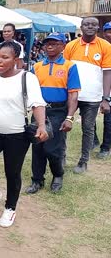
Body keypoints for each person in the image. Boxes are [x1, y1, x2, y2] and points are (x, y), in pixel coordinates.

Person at [0, 41, 48, 228]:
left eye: (5, 57)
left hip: (17, 135)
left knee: (12, 172)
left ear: (16, 59)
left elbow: (37, 103)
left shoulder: (27, 78)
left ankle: (10, 208)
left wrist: (41, 125)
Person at [25, 33, 81, 194]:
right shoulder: (36, 66)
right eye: (47, 43)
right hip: (39, 108)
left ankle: (58, 175)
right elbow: (29, 90)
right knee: (37, 146)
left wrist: (69, 117)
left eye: (54, 43)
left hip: (58, 111)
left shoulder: (70, 66)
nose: (49, 46)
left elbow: (73, 94)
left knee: (52, 148)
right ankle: (37, 180)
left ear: (63, 46)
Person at [64, 17, 111, 173]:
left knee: (88, 129)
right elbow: (65, 70)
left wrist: (105, 98)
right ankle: (61, 156)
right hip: (71, 95)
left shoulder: (105, 46)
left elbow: (107, 73)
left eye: (93, 24)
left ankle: (83, 161)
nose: (90, 26)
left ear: (98, 28)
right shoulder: (71, 46)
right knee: (63, 125)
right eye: (86, 24)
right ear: (81, 27)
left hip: (92, 97)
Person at [93, 22, 111, 159]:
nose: (110, 34)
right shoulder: (99, 47)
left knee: (108, 119)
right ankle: (93, 140)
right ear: (103, 33)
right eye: (108, 31)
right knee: (89, 115)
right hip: (96, 86)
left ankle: (105, 147)